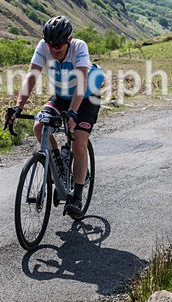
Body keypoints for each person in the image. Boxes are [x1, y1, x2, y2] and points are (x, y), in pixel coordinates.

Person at [6, 15, 104, 217]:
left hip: (85, 98)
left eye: (59, 44)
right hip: (61, 96)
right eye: (51, 44)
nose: (55, 49)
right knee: (39, 126)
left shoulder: (79, 47)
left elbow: (82, 81)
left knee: (78, 142)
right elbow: (31, 77)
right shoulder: (43, 47)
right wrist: (18, 107)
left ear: (69, 40)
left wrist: (74, 112)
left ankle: (76, 196)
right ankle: (58, 161)